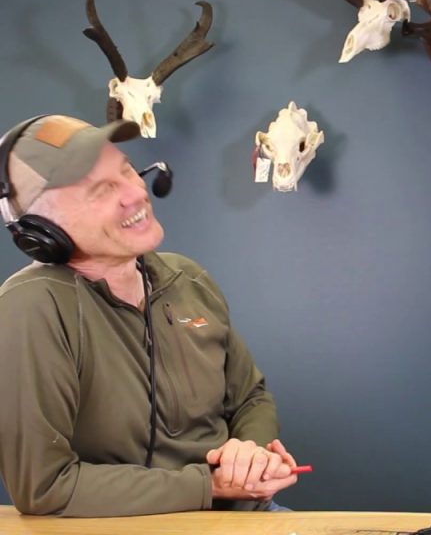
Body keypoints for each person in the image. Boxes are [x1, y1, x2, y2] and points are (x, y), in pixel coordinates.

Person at [0, 114, 301, 516]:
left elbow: (250, 397)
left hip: (246, 517)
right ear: (41, 232)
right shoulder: (31, 308)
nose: (135, 193)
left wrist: (250, 453)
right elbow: (45, 487)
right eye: (101, 190)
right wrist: (209, 485)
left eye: (126, 170)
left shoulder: (188, 278)